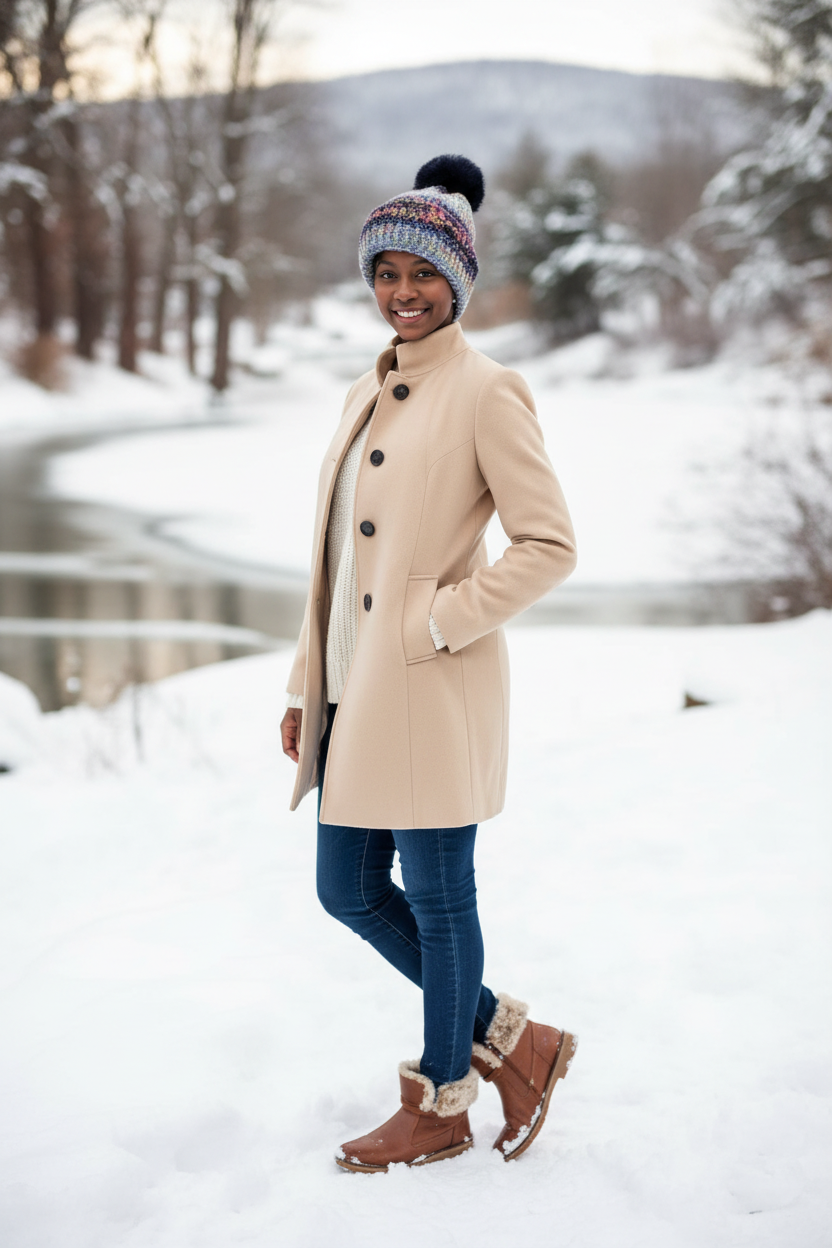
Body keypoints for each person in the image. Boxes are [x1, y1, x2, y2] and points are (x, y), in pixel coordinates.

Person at [279, 154, 578, 1174]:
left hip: (430, 684)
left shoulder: (488, 392)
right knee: (346, 889)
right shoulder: (369, 389)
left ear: (458, 280)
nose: (401, 293)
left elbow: (548, 545)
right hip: (353, 692)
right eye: (384, 275)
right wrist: (303, 686)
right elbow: (337, 559)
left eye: (422, 275)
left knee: (441, 899)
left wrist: (440, 621)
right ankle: (517, 1042)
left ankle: (443, 1099)